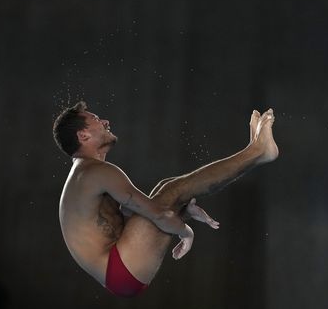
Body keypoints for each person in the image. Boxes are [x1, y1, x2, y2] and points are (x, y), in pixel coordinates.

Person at [53, 102, 278, 297]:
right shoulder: (94, 172)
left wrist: (182, 210)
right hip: (120, 268)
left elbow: (118, 220)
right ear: (83, 136)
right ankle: (258, 152)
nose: (105, 121)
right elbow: (157, 213)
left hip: (118, 269)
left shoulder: (85, 173)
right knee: (174, 189)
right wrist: (185, 231)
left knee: (166, 188)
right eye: (95, 120)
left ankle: (253, 152)